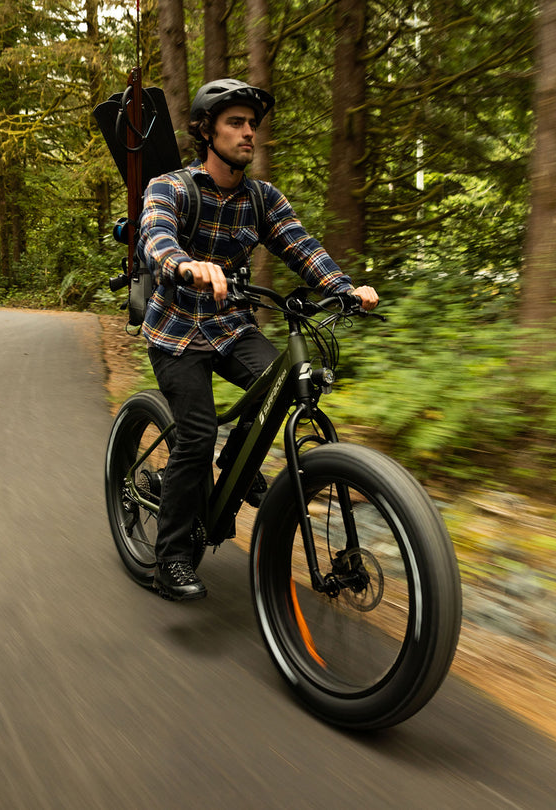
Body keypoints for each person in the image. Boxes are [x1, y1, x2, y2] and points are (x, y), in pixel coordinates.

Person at [138, 78, 379, 601]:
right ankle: (171, 559)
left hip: (230, 325)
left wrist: (344, 289)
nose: (249, 133)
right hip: (176, 331)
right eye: (235, 123)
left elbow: (302, 246)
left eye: (252, 124)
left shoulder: (261, 198)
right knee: (197, 434)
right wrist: (184, 263)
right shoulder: (171, 187)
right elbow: (155, 234)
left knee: (287, 383)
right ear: (207, 131)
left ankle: (237, 467)